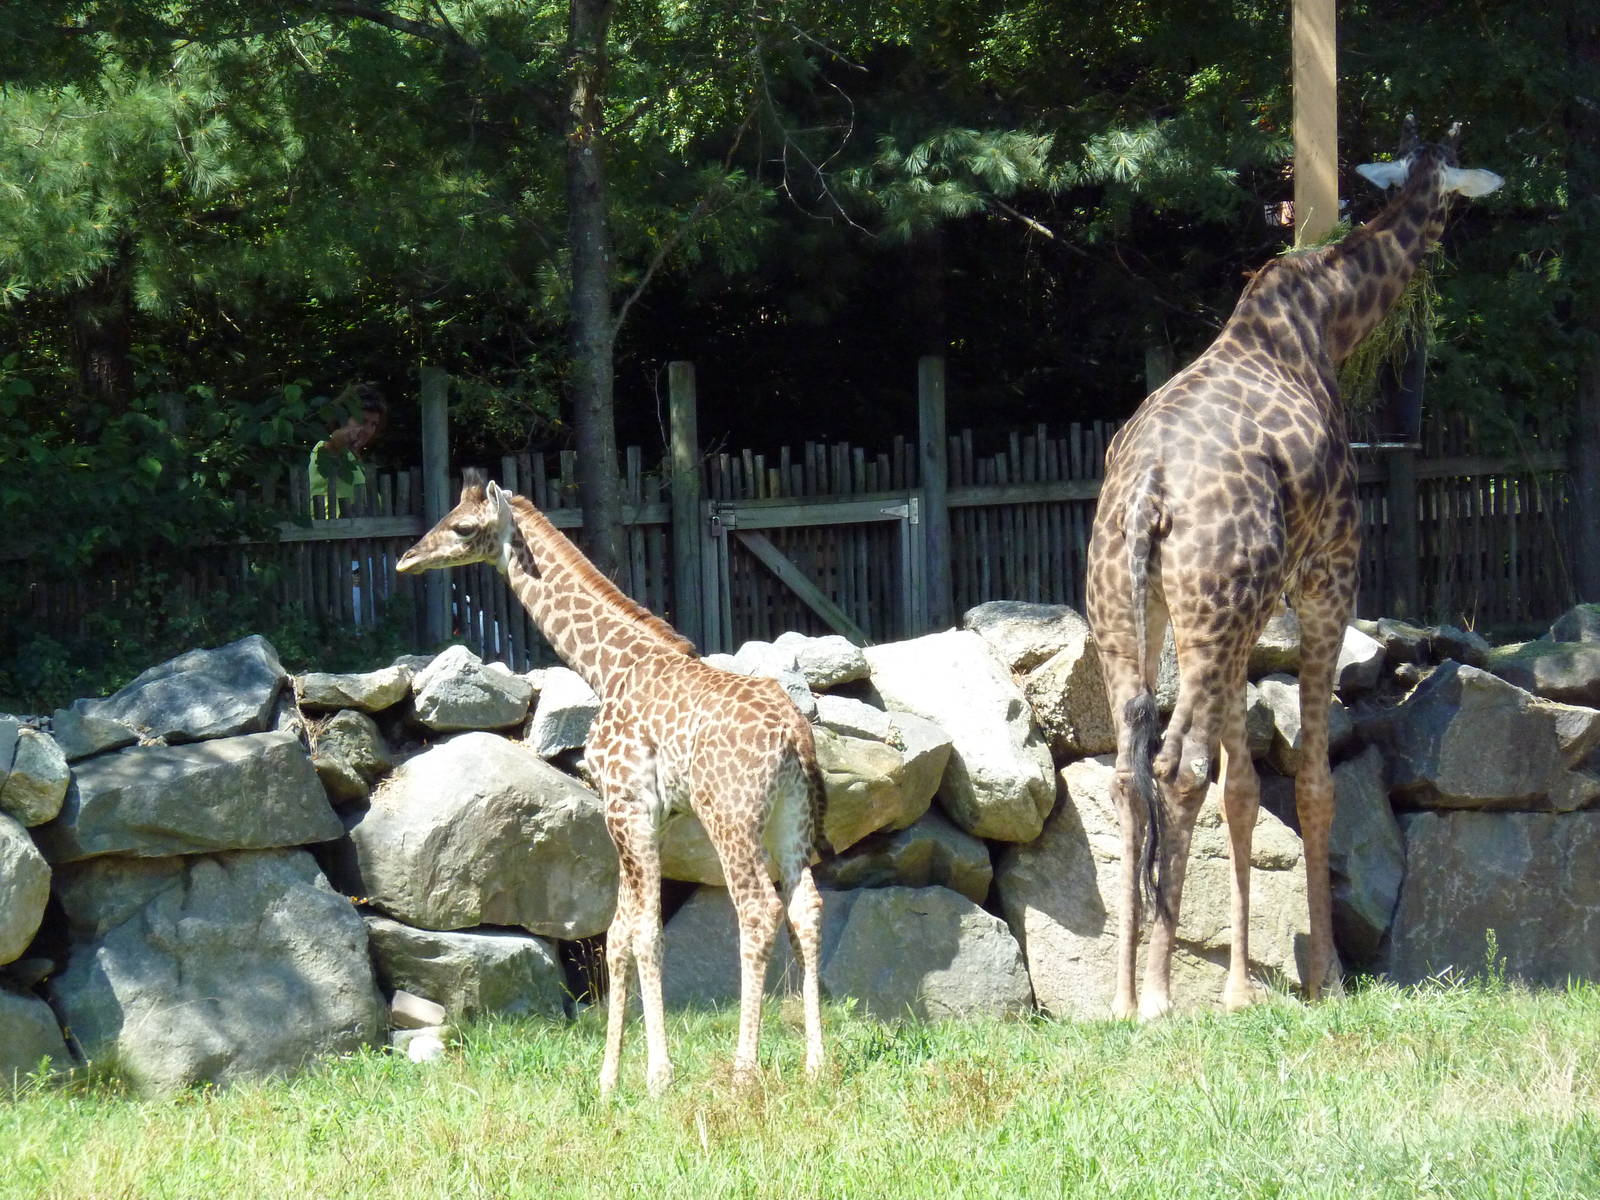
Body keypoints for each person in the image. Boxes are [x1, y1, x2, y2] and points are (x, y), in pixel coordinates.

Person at [308, 382, 387, 517]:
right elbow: (335, 442)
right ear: (342, 417)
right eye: (362, 421)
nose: (368, 430)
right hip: (331, 535)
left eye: (373, 424)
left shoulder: (352, 457)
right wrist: (344, 434)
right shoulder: (325, 447)